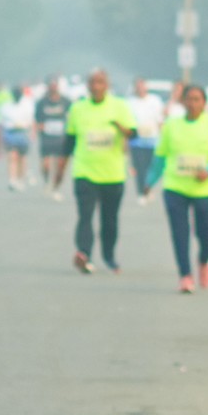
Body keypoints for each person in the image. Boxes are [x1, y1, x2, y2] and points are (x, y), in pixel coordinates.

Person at [150, 82, 208, 294]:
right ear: (183, 102)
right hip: (175, 187)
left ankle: (204, 260)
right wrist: (149, 181)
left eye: (197, 100)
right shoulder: (172, 125)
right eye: (189, 99)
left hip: (205, 189)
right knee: (180, 233)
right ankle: (185, 275)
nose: (193, 104)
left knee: (207, 233)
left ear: (204, 103)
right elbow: (160, 157)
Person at [66, 69, 136, 274]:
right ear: (87, 86)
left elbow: (133, 133)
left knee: (109, 220)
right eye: (92, 82)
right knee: (85, 215)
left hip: (112, 174)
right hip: (84, 172)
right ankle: (84, 253)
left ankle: (109, 255)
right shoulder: (78, 108)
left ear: (107, 85)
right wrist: (60, 169)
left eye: (100, 82)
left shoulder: (119, 107)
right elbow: (69, 141)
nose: (96, 86)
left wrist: (122, 128)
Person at [33, 76, 73, 199]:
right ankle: (47, 182)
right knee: (46, 165)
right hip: (47, 137)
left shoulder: (66, 101)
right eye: (51, 86)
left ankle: (56, 187)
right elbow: (36, 119)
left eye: (55, 85)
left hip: (61, 138)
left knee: (60, 165)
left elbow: (72, 115)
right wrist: (37, 129)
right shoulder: (42, 102)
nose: (53, 88)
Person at [128, 77, 167, 200]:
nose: (140, 89)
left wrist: (163, 137)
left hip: (152, 140)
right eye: (138, 86)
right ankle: (141, 192)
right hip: (137, 142)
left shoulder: (155, 101)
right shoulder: (130, 102)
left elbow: (160, 121)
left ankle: (148, 188)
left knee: (151, 167)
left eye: (142, 86)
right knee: (140, 168)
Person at [0, 86, 35, 190]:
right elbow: (2, 122)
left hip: (22, 133)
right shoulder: (6, 106)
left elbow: (31, 120)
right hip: (11, 133)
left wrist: (32, 133)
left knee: (22, 158)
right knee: (12, 157)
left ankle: (20, 179)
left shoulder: (27, 105)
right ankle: (12, 179)